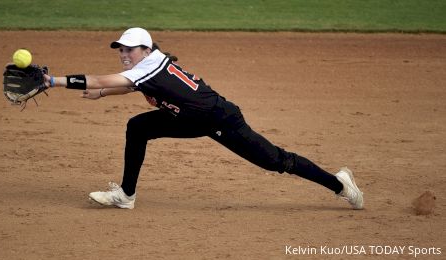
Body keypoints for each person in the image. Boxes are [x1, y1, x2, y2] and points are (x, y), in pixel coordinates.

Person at [44, 27, 364, 210]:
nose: (124, 54)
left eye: (130, 49)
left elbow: (104, 80)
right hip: (189, 119)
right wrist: (103, 95)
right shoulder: (150, 64)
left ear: (145, 49)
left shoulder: (148, 66)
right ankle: (126, 195)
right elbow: (130, 85)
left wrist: (53, 81)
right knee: (138, 126)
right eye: (120, 50)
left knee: (275, 161)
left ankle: (338, 183)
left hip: (221, 120)